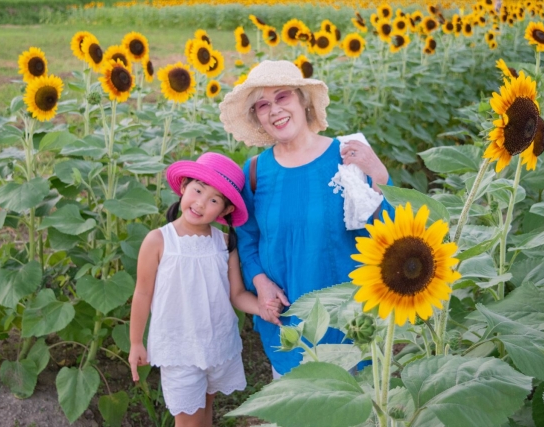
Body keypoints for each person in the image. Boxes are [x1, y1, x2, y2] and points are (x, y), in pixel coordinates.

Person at [218, 60, 395, 378]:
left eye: (282, 97)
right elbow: (247, 238)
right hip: (286, 325)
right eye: (262, 104)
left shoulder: (347, 156)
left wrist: (380, 176)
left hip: (348, 325)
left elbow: (390, 231)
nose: (274, 110)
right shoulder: (256, 171)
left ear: (302, 100)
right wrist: (260, 282)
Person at [128, 152, 281, 427]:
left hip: (216, 343)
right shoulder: (159, 241)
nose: (200, 203)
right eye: (197, 190)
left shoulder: (224, 243)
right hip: (179, 348)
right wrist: (136, 342)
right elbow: (142, 293)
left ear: (225, 211)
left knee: (205, 413)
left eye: (213, 200)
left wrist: (261, 308)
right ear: (184, 186)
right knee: (188, 421)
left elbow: (236, 295)